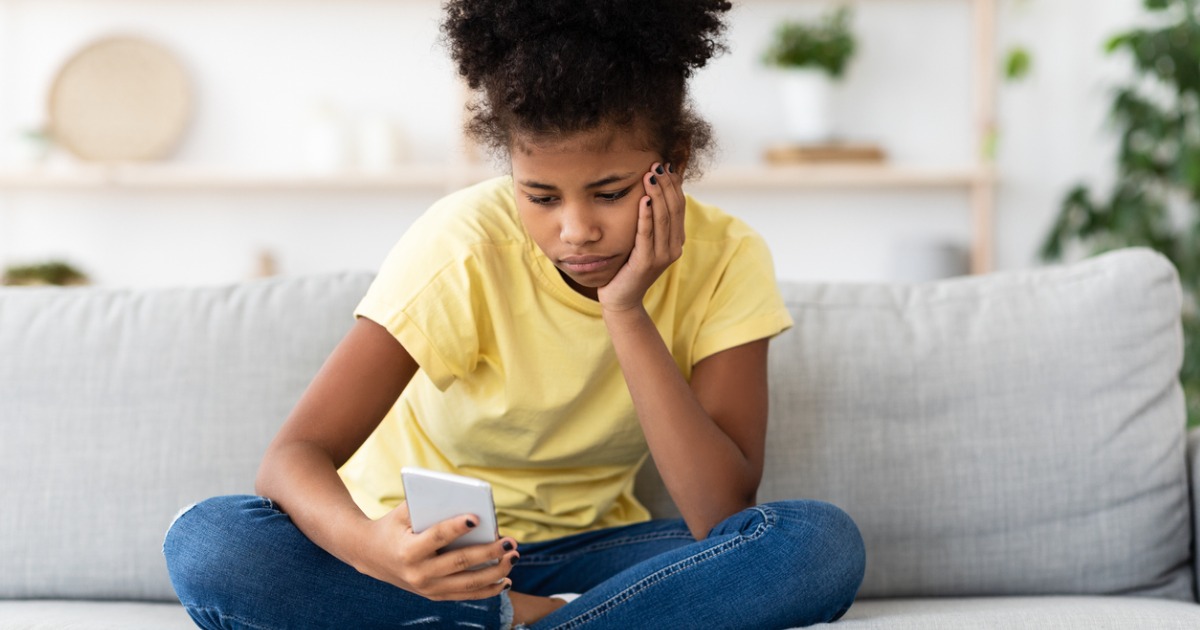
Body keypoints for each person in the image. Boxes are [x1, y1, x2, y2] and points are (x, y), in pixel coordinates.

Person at [163, 1, 866, 627]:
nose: (575, 230)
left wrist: (625, 309)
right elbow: (292, 459)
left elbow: (721, 514)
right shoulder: (465, 245)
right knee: (211, 542)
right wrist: (377, 550)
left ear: (673, 163)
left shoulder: (727, 258)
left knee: (816, 545)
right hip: (428, 554)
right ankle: (533, 617)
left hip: (593, 555)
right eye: (541, 196)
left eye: (611, 192)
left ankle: (504, 621)